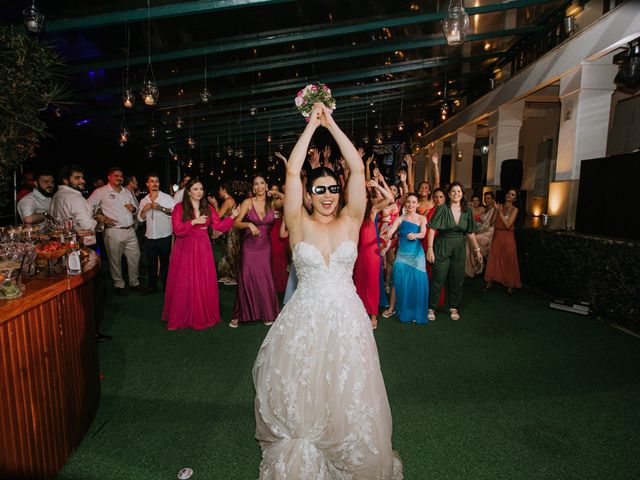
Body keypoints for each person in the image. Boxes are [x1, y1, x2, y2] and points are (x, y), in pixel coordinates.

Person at [253, 103, 403, 479]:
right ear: (309, 193)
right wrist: (310, 126)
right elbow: (291, 170)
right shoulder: (298, 222)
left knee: (347, 386)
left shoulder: (352, 220)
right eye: (319, 189)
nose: (327, 195)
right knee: (306, 385)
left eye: (332, 189)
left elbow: (355, 168)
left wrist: (332, 124)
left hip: (347, 319)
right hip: (304, 317)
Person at [162, 178, 237, 330]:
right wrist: (193, 222)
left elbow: (219, 226)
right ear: (188, 191)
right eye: (195, 189)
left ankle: (201, 314)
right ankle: (181, 316)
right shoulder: (179, 208)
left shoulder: (207, 208)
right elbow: (177, 230)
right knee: (184, 281)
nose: (199, 192)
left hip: (203, 248)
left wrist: (232, 217)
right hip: (184, 248)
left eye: (201, 189)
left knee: (203, 279)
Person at [50, 164, 111, 342]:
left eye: (82, 177)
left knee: (77, 292)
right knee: (95, 290)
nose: (82, 181)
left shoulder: (57, 196)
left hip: (64, 247)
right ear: (65, 180)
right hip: (82, 248)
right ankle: (92, 332)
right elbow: (87, 226)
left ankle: (77, 331)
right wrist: (98, 221)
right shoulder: (74, 198)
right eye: (77, 178)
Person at [229, 175, 282, 327]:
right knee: (246, 276)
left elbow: (287, 199)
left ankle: (267, 312)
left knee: (264, 278)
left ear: (266, 186)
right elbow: (236, 222)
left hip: (265, 246)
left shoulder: (272, 203)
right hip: (249, 246)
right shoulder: (248, 202)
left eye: (262, 183)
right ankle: (239, 314)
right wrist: (248, 224)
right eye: (256, 184)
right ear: (253, 188)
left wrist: (275, 192)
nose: (259, 186)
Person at [426, 182, 483, 321]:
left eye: (458, 191)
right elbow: (432, 229)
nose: (456, 194)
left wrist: (477, 250)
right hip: (442, 246)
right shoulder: (442, 208)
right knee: (438, 278)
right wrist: (430, 249)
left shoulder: (467, 211)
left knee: (457, 279)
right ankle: (431, 308)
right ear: (449, 194)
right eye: (453, 191)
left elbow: (470, 232)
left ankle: (454, 308)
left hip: (459, 247)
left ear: (462, 194)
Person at [89, 167, 141, 295]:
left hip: (130, 230)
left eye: (121, 176)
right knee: (115, 259)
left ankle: (134, 282)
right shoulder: (100, 192)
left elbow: (137, 208)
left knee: (135, 256)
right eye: (116, 175)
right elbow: (87, 208)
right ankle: (119, 284)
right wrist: (101, 218)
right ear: (109, 177)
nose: (119, 178)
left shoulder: (127, 192)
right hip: (113, 231)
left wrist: (133, 209)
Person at [381, 193, 429, 324]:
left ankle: (415, 310)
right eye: (408, 202)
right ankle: (392, 308)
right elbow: (392, 229)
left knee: (417, 282)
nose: (410, 204)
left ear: (418, 204)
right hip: (402, 255)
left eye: (414, 202)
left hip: (416, 256)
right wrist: (389, 234)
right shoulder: (400, 218)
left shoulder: (422, 219)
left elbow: (424, 233)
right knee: (398, 281)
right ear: (405, 203)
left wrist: (416, 235)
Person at [353, 179, 393, 329]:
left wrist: (377, 185)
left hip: (370, 252)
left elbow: (389, 198)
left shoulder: (373, 209)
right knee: (358, 282)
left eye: (364, 195)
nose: (362, 198)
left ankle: (373, 315)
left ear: (368, 197)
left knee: (372, 282)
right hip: (356, 251)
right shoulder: (352, 212)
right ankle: (360, 312)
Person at [137, 173, 176, 294]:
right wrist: (145, 209)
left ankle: (166, 287)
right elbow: (140, 219)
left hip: (164, 236)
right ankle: (151, 287)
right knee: (151, 264)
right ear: (147, 184)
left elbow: (174, 214)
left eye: (157, 181)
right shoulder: (144, 200)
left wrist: (160, 208)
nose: (155, 183)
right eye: (152, 181)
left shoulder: (167, 198)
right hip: (149, 237)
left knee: (165, 264)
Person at [484, 188, 522, 294]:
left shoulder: (515, 209)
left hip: (508, 236)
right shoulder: (499, 207)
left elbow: (508, 224)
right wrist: (496, 211)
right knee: (494, 258)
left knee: (509, 259)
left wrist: (499, 212)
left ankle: (510, 286)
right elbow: (491, 223)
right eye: (508, 193)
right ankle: (489, 283)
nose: (509, 195)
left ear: (515, 199)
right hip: (497, 235)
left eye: (512, 194)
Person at [210, 182, 239, 286]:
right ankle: (228, 275)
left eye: (220, 189)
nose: (219, 192)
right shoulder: (229, 200)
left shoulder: (228, 201)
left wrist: (214, 205)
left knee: (231, 251)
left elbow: (218, 216)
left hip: (231, 229)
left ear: (223, 189)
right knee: (228, 251)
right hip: (230, 228)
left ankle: (233, 277)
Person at [465, 191, 496, 277]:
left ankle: (474, 267)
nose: (487, 200)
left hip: (489, 233)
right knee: (469, 240)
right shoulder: (486, 209)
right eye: (485, 198)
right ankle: (474, 267)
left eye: (489, 198)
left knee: (470, 240)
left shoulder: (493, 209)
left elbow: (488, 225)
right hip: (482, 231)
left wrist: (477, 231)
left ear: (493, 200)